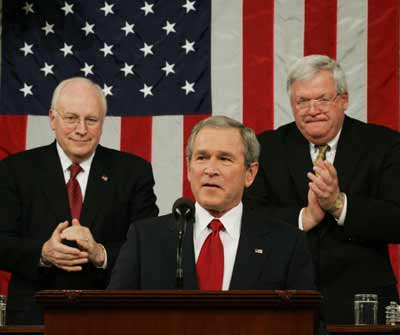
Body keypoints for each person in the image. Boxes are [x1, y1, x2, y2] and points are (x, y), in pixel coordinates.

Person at [245, 54, 400, 324]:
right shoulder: (267, 148)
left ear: (343, 100)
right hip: (285, 298)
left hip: (362, 301)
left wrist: (339, 205)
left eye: (322, 99)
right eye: (302, 101)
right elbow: (249, 215)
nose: (312, 109)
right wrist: (304, 218)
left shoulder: (384, 145)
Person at [0, 77, 159, 324]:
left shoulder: (134, 172)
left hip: (109, 317)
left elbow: (148, 248)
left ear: (102, 123)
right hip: (33, 317)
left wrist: (100, 253)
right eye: (71, 118)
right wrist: (42, 253)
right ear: (53, 119)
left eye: (91, 120)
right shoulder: (15, 170)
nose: (81, 129)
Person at [108, 115, 315, 292]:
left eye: (224, 159)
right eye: (202, 158)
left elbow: (307, 324)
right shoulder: (145, 239)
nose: (210, 169)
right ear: (189, 170)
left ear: (250, 174)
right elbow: (113, 318)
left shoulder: (286, 244)